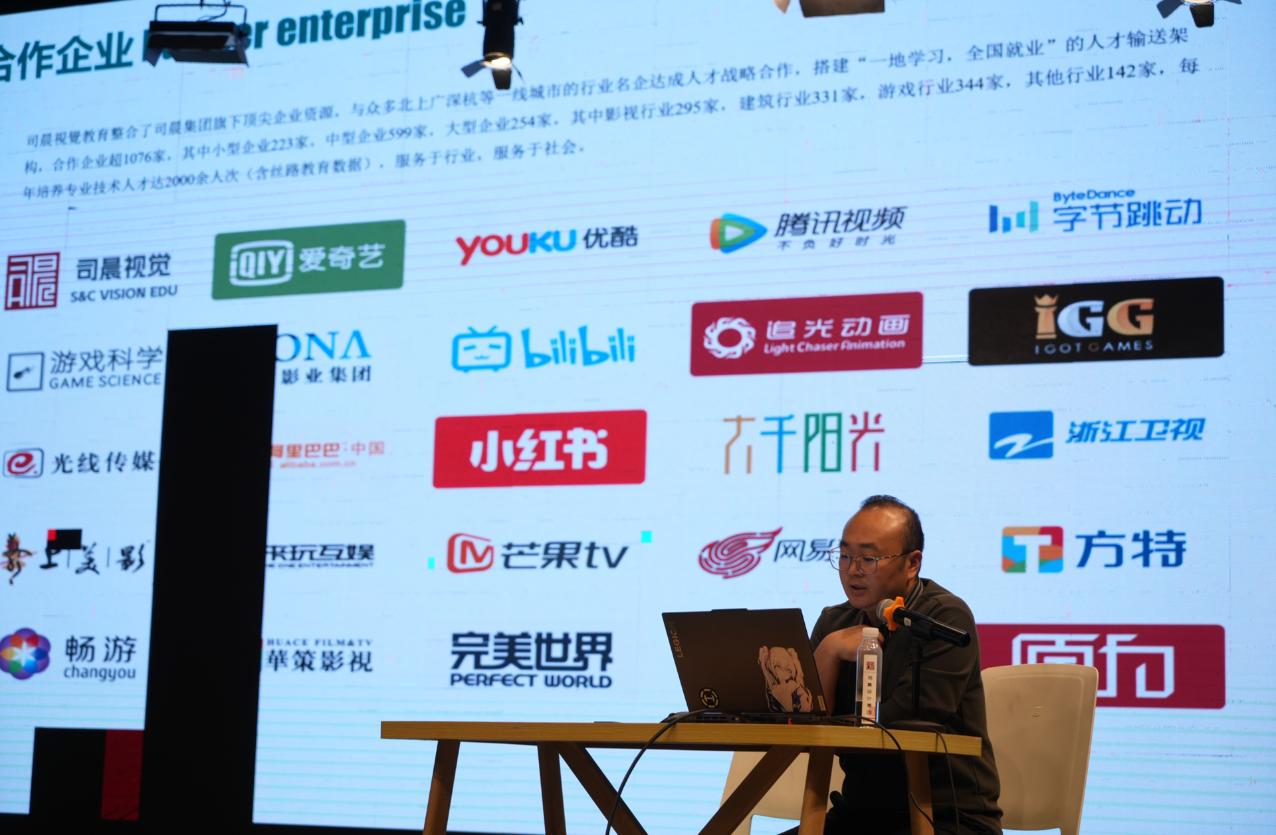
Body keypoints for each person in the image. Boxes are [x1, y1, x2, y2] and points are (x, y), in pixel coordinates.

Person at [789, 495, 1002, 835]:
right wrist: (828, 652)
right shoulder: (834, 622)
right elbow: (800, 728)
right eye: (844, 556)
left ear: (912, 563)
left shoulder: (944, 619)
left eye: (868, 558)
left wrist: (834, 721)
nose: (853, 569)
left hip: (947, 817)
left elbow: (903, 722)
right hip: (859, 815)